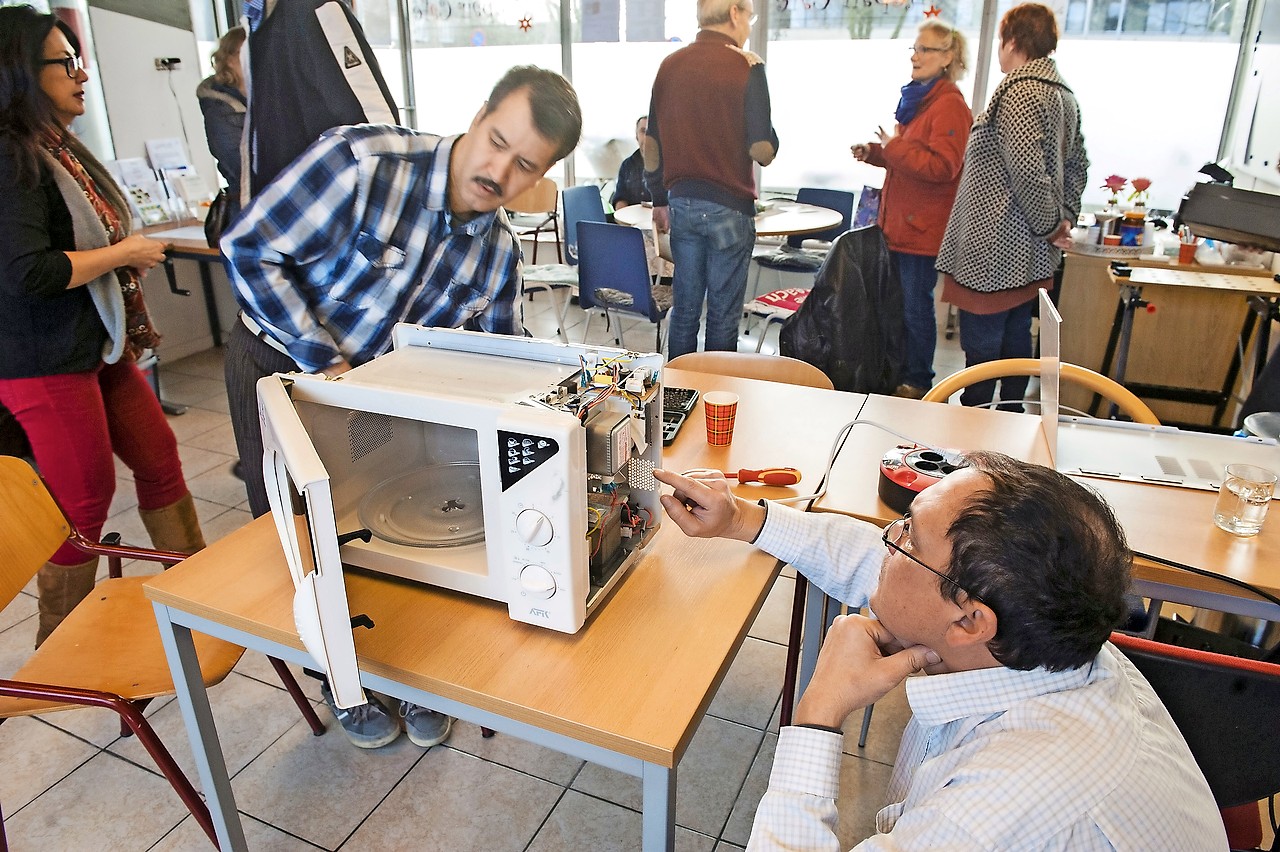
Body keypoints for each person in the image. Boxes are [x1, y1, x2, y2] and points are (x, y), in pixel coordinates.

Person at [221, 64, 582, 751]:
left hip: (375, 393)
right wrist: (323, 360)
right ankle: (345, 679)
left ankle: (407, 672)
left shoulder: (498, 254)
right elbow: (250, 249)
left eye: (524, 164)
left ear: (541, 176)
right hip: (281, 363)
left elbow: (501, 355)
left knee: (379, 524)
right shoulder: (361, 162)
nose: (498, 170)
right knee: (306, 536)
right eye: (497, 141)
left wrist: (561, 400)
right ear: (478, 114)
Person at [651, 455, 1227, 850]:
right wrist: (744, 518)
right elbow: (877, 566)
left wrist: (817, 716)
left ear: (970, 621)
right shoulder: (1048, 639)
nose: (886, 540)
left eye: (905, 534)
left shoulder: (996, 806)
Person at [0, 5, 206, 648]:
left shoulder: (57, 147)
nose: (81, 75)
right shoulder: (11, 158)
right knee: (83, 502)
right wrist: (122, 255)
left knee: (160, 460)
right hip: (41, 359)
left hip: (97, 346)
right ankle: (59, 652)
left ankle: (204, 598)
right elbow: (26, 272)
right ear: (21, 74)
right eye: (66, 64)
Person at [935, 2, 1088, 411]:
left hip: (996, 245)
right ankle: (1005, 424)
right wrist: (1064, 218)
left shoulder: (1022, 91)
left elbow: (1026, 169)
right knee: (1016, 337)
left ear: (1012, 41)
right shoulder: (1063, 96)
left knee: (985, 350)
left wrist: (1051, 224)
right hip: (1030, 251)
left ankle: (979, 428)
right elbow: (1078, 164)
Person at [643, 0, 779, 358]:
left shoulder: (670, 65)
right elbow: (761, 150)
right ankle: (719, 401)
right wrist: (765, 127)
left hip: (682, 204)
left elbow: (652, 144)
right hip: (730, 209)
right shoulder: (747, 66)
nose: (749, 25)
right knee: (722, 317)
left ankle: (676, 396)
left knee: (685, 311)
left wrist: (658, 198)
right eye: (749, 17)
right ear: (735, 13)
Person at [851, 21, 971, 400]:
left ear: (948, 57)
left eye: (926, 50)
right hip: (900, 226)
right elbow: (911, 159)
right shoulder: (919, 100)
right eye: (914, 49)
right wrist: (877, 152)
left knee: (915, 309)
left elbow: (944, 167)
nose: (916, 56)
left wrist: (895, 147)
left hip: (922, 231)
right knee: (899, 307)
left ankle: (918, 382)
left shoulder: (949, 105)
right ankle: (899, 373)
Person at [196, 26, 246, 222]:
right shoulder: (219, 108)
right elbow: (240, 166)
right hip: (246, 209)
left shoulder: (268, 96)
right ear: (231, 60)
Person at [610, 115, 651, 211]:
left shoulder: (669, 166)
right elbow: (620, 198)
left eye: (651, 132)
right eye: (643, 131)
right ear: (636, 136)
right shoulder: (627, 166)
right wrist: (623, 220)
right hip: (632, 223)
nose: (647, 137)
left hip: (660, 222)